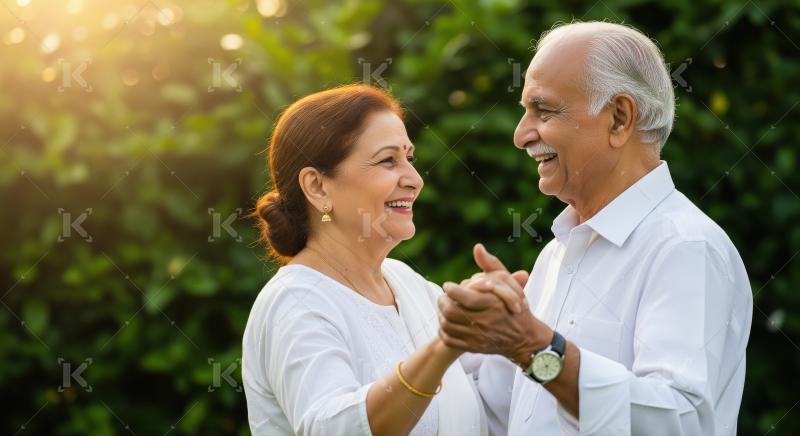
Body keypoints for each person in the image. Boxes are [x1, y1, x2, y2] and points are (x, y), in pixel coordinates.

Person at [438, 21, 753, 435]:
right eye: (524, 112)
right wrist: (471, 338)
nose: (520, 135)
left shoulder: (686, 246)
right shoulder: (556, 253)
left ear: (620, 118)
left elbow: (679, 421)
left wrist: (534, 347)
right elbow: (501, 416)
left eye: (544, 109)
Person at [242, 84, 524, 435]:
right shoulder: (295, 301)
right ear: (317, 187)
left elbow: (487, 404)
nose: (415, 180)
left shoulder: (406, 282)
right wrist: (444, 345)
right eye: (388, 160)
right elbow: (331, 427)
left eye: (410, 158)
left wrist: (510, 324)